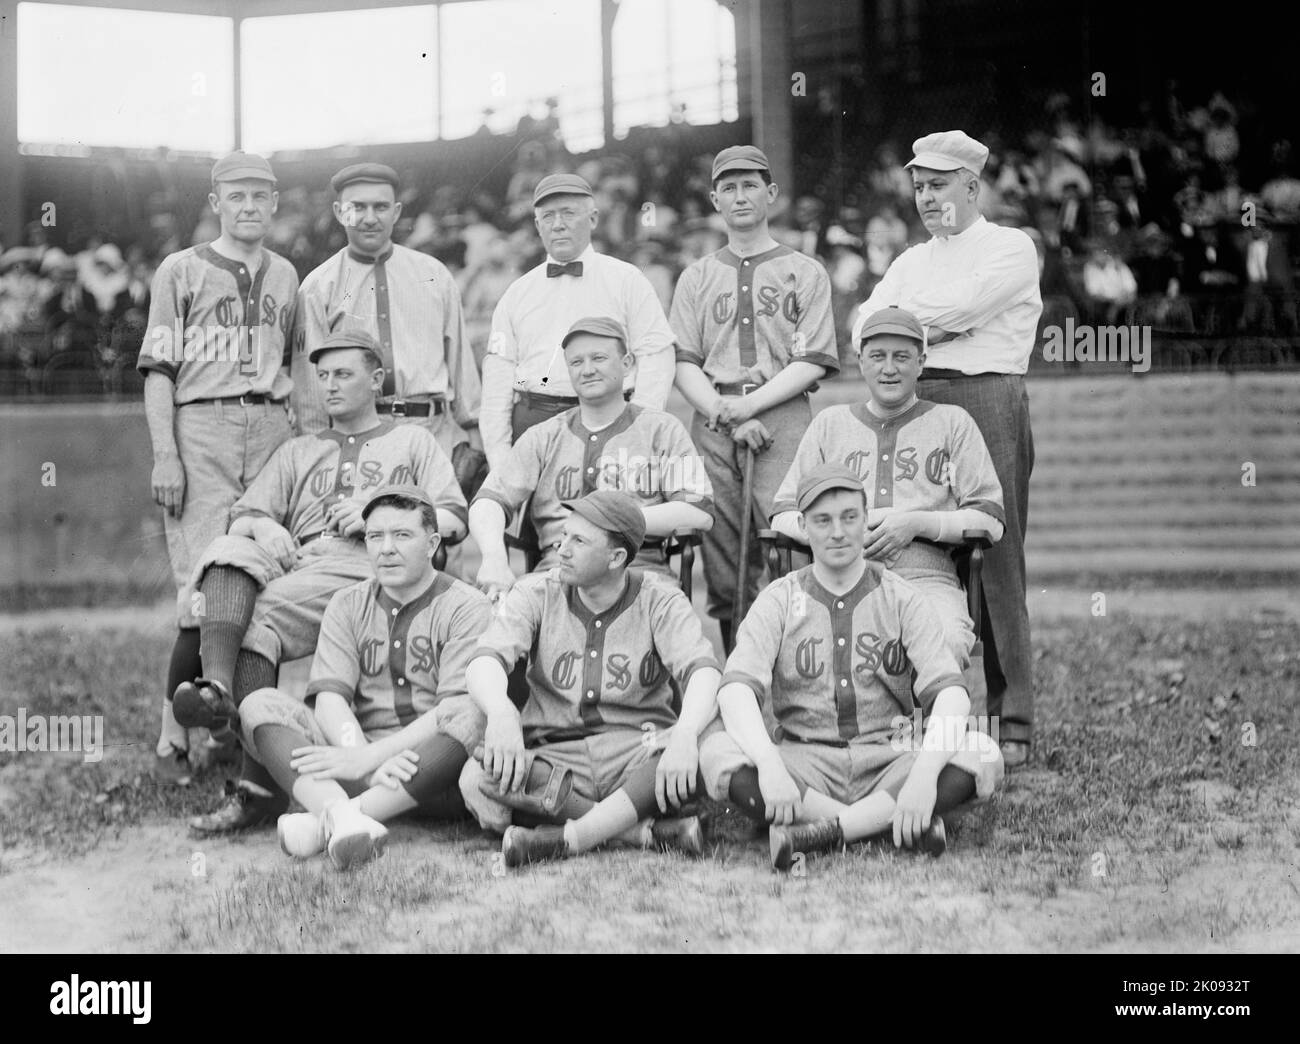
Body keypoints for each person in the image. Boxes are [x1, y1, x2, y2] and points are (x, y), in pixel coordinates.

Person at [173, 331, 467, 835]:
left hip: (370, 562)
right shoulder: (299, 450)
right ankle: (218, 688)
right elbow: (245, 515)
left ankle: (257, 787)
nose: (329, 386)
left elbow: (453, 519)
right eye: (323, 376)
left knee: (252, 616)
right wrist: (265, 527)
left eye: (343, 374)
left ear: (375, 380)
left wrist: (375, 514)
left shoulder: (412, 439)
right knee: (228, 552)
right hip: (304, 562)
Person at [699, 464, 1004, 872]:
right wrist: (771, 767)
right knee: (716, 750)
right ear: (804, 528)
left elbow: (949, 694)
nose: (838, 532)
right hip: (804, 759)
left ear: (866, 522)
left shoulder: (902, 597)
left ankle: (819, 829)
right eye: (823, 521)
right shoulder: (779, 598)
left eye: (849, 518)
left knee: (983, 750)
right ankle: (892, 822)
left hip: (890, 757)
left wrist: (923, 775)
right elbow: (735, 691)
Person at [849, 131, 1042, 768]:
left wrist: (904, 321)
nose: (928, 198)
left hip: (988, 396)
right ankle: (934, 712)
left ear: (971, 186)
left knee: (995, 549)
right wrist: (909, 323)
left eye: (939, 185)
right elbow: (863, 325)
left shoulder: (1011, 247)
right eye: (920, 186)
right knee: (927, 550)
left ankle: (1011, 719)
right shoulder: (910, 260)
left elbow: (960, 311)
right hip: (918, 401)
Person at [137, 151, 297, 786]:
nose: (249, 206)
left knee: (259, 581)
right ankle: (174, 733)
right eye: (237, 196)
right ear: (216, 202)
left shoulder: (287, 275)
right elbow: (157, 374)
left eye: (261, 196)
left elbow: (302, 368)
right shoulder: (179, 270)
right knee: (201, 589)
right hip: (200, 424)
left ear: (275, 204)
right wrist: (166, 453)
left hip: (271, 428)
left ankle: (237, 729)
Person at [458, 490, 722, 867]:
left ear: (617, 558)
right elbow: (485, 660)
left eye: (578, 541)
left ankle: (569, 837)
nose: (561, 549)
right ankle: (637, 832)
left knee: (707, 738)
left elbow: (703, 672)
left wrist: (683, 735)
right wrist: (501, 713)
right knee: (476, 778)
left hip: (637, 752)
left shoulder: (659, 598)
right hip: (556, 759)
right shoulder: (536, 591)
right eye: (563, 536)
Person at [238, 485, 493, 870]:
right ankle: (343, 816)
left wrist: (368, 759)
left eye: (402, 535)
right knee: (259, 704)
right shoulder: (348, 602)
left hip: (434, 773)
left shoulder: (467, 605)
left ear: (432, 543)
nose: (386, 548)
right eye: (375, 536)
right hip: (360, 761)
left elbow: (451, 712)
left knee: (470, 709)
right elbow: (330, 698)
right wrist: (360, 757)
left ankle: (331, 818)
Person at [669, 145, 839, 652]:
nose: (739, 196)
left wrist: (751, 405)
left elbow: (812, 359)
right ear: (715, 200)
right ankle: (738, 672)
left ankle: (803, 660)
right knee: (723, 553)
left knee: (791, 537)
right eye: (728, 187)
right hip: (713, 415)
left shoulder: (804, 270)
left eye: (749, 185)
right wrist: (725, 410)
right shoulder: (696, 275)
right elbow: (682, 362)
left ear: (771, 194)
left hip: (783, 416)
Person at [769, 306, 1004, 662]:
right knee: (812, 647)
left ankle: (931, 720)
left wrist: (917, 523)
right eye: (877, 356)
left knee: (946, 642)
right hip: (838, 579)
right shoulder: (829, 425)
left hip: (926, 579)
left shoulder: (952, 423)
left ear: (921, 362)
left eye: (902, 357)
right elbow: (783, 514)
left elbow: (990, 520)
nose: (889, 368)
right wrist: (841, 531)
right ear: (861, 360)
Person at [471, 316, 713, 595]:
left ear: (627, 364)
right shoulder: (545, 435)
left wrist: (610, 523)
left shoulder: (662, 429)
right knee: (496, 619)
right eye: (576, 362)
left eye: (598, 358)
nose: (587, 370)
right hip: (555, 573)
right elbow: (488, 499)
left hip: (639, 572)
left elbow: (699, 510)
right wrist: (494, 559)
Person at [479, 173, 676, 472]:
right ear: (537, 225)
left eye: (568, 213)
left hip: (612, 421)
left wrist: (639, 429)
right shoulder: (517, 292)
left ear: (593, 219)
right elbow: (498, 374)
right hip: (535, 423)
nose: (558, 224)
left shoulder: (626, 280)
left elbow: (656, 355)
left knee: (610, 516)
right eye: (548, 216)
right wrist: (499, 456)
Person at [291, 163, 480, 462]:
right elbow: (311, 392)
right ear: (340, 212)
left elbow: (461, 366)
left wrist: (474, 437)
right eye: (357, 208)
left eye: (380, 207)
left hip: (433, 434)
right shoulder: (318, 286)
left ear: (396, 212)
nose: (369, 218)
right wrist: (319, 456)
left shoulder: (434, 274)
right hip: (356, 437)